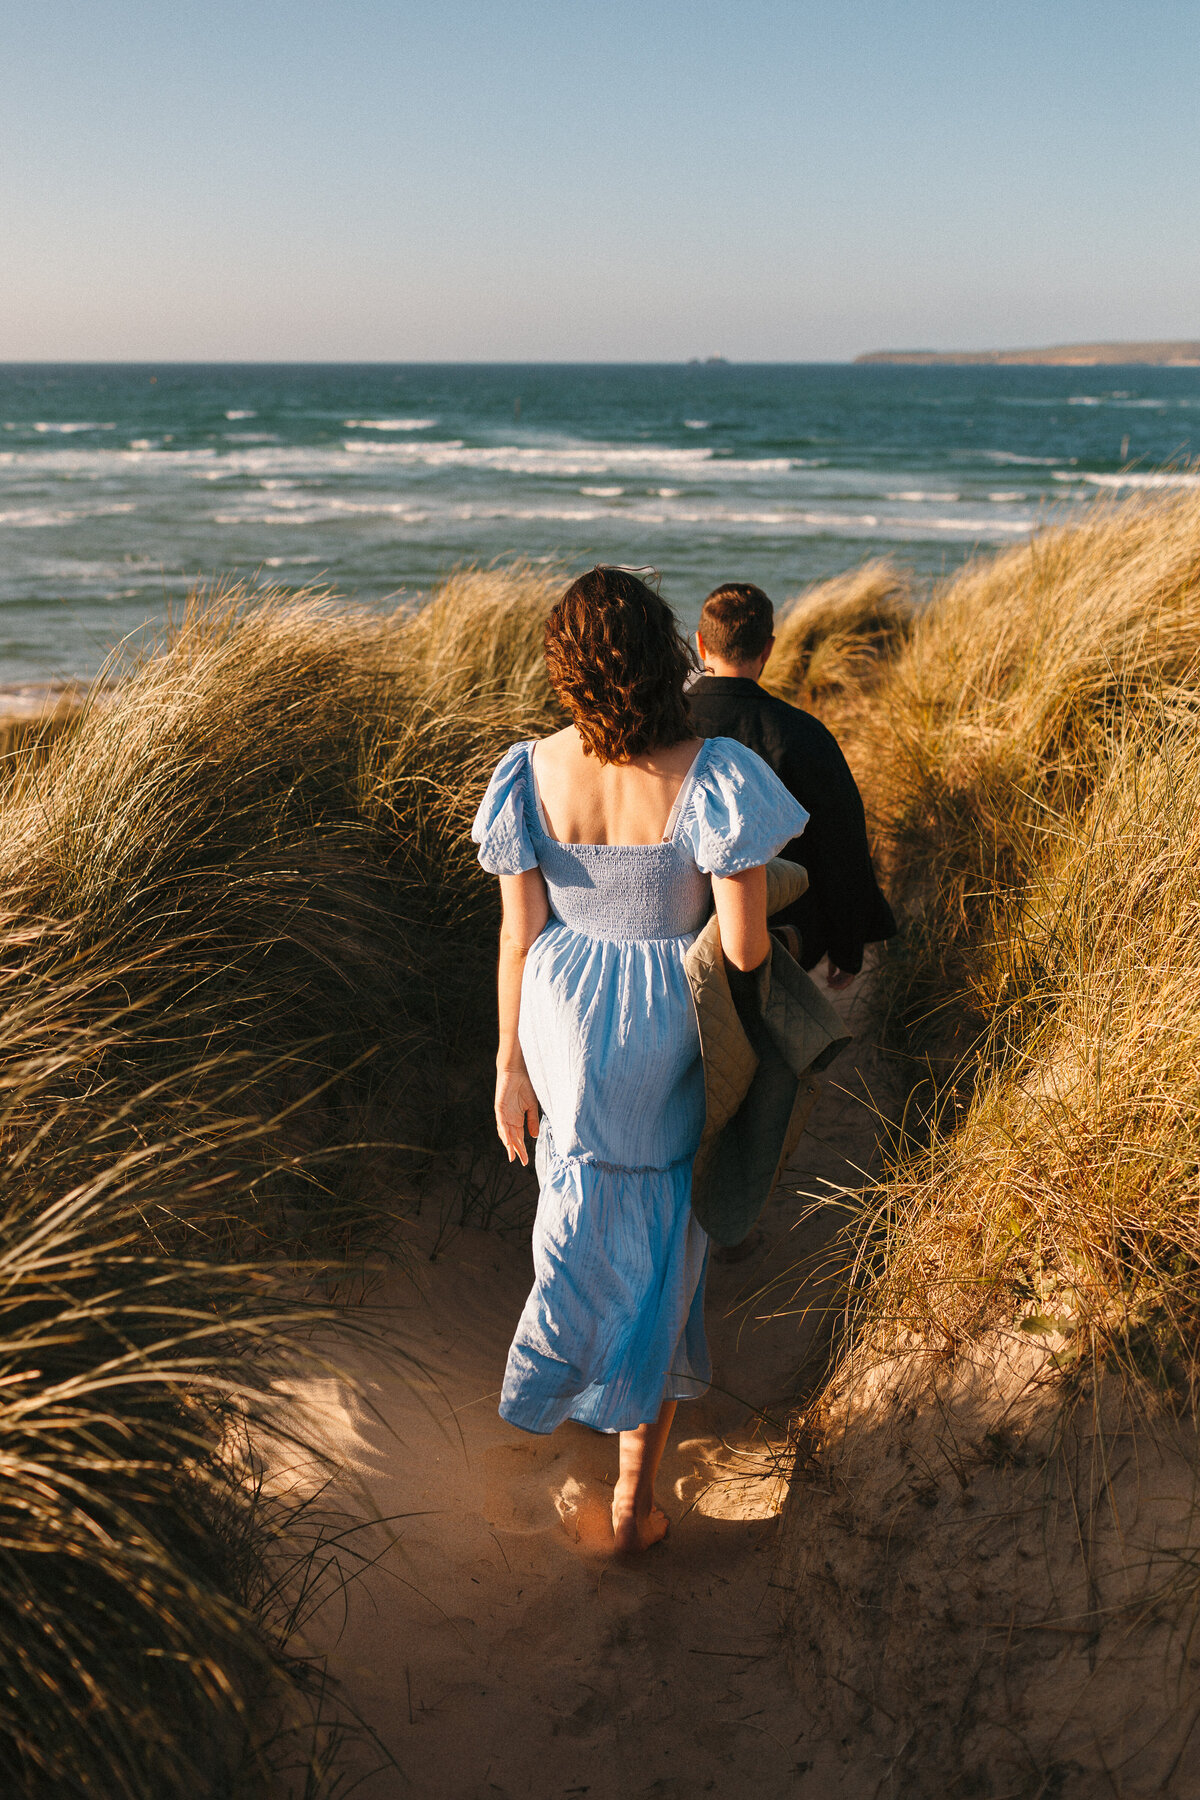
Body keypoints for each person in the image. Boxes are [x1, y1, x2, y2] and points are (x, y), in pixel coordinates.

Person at [471, 567, 808, 1553]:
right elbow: (743, 951)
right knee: (665, 1247)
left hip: (559, 1020)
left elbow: (517, 935)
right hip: (669, 1024)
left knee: (579, 1215)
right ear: (664, 655)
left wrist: (509, 1066)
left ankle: (568, 1394)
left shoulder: (527, 770)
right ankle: (633, 1497)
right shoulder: (714, 773)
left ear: (569, 669)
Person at [687, 582, 895, 988]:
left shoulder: (663, 727)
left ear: (700, 644)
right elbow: (840, 844)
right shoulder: (804, 734)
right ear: (767, 649)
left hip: (678, 926)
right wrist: (847, 948)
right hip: (780, 931)